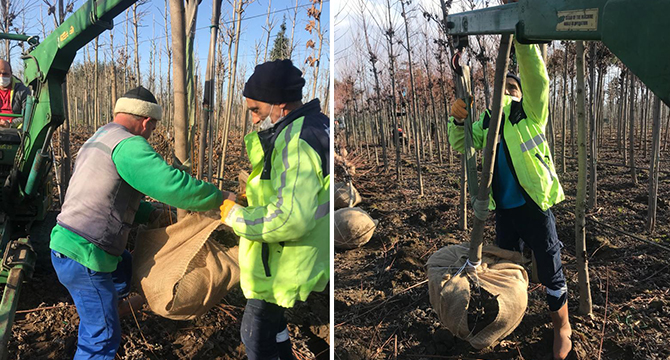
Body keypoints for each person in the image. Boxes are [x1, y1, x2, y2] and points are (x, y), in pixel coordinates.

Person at [50, 86, 233, 360]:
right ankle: (105, 316)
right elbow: (171, 185)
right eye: (153, 128)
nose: (150, 134)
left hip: (69, 243)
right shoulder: (129, 144)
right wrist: (219, 197)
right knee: (101, 339)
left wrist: (150, 214)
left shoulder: (100, 138)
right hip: (86, 255)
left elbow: (108, 196)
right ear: (146, 121)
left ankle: (113, 306)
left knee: (127, 269)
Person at [447, 40, 572, 360]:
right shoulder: (486, 122)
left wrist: (523, 43)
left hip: (534, 207)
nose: (507, 90)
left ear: (520, 93)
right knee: (508, 267)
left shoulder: (528, 113)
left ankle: (562, 328)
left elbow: (538, 80)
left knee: (550, 266)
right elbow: (461, 144)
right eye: (502, 86)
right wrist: (458, 119)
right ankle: (512, 315)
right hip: (503, 210)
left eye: (513, 86)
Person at [219, 59, 330, 360]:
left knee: (254, 336)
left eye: (256, 109)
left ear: (279, 104)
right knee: (274, 326)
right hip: (291, 256)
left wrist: (233, 216)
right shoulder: (314, 126)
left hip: (282, 262)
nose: (254, 120)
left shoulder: (296, 142)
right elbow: (292, 193)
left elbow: (288, 218)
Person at [0, 59, 30, 128]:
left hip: (15, 131)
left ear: (11, 73)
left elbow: (28, 116)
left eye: (5, 74)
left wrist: (10, 124)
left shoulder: (22, 90)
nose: (1, 76)